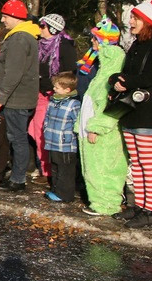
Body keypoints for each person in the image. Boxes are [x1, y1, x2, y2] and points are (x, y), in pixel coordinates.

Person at [110, 0, 152, 228]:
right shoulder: (136, 44)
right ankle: (138, 206)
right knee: (136, 162)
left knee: (148, 162)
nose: (131, 21)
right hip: (132, 109)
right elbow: (127, 71)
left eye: (135, 18)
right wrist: (115, 80)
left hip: (150, 110)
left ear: (147, 21)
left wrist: (125, 82)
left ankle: (149, 209)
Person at [0, 0, 40, 192]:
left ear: (16, 18)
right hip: (17, 96)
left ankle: (18, 179)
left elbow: (13, 72)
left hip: (17, 98)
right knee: (16, 137)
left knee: (17, 138)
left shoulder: (19, 39)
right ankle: (18, 175)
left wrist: (0, 97)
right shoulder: (23, 36)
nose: (2, 20)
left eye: (5, 16)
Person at [75, 18, 128, 217]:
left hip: (101, 132)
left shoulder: (111, 71)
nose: (92, 44)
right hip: (88, 129)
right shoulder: (101, 71)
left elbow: (108, 105)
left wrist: (96, 127)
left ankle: (106, 203)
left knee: (103, 167)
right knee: (93, 166)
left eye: (96, 40)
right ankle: (98, 201)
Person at [28, 13, 78, 184]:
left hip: (54, 95)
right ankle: (43, 167)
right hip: (38, 93)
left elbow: (70, 72)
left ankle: (48, 171)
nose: (39, 29)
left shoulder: (64, 46)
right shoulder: (39, 45)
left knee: (45, 132)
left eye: (42, 26)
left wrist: (55, 85)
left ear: (52, 29)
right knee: (35, 130)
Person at [41, 71, 80, 203]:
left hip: (66, 144)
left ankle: (65, 194)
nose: (54, 89)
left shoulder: (73, 104)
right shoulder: (53, 102)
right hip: (52, 141)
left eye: (57, 87)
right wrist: (46, 130)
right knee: (55, 167)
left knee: (65, 171)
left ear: (67, 89)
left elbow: (77, 123)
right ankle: (56, 190)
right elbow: (47, 118)